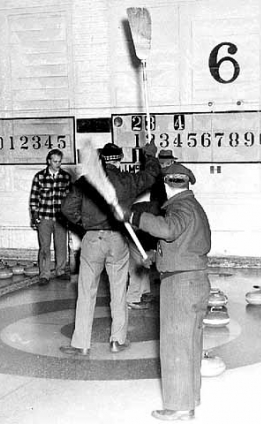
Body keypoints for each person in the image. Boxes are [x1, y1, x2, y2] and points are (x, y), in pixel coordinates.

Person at [59, 142, 160, 356]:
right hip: (117, 240)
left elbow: (66, 208)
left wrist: (85, 223)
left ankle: (81, 344)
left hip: (92, 240)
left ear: (102, 158)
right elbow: (151, 174)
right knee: (118, 291)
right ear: (121, 157)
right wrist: (149, 155)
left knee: (86, 292)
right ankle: (117, 340)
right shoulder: (128, 181)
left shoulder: (86, 182)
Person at [129, 162, 211, 421]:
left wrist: (136, 217)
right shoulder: (194, 207)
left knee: (175, 346)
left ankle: (177, 407)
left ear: (166, 185)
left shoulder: (181, 206)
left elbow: (168, 229)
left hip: (180, 286)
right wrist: (158, 254)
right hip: (194, 280)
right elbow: (186, 241)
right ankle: (189, 401)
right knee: (189, 346)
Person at [126, 149, 178, 310]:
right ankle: (133, 298)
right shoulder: (162, 182)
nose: (170, 164)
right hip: (138, 226)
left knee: (145, 257)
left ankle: (145, 291)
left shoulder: (167, 182)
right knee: (138, 259)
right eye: (168, 162)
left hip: (147, 223)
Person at [29, 149, 72, 286]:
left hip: (61, 218)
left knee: (61, 246)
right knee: (44, 247)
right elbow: (34, 198)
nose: (57, 164)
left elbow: (70, 198)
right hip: (44, 218)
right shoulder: (39, 177)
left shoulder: (66, 177)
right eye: (55, 161)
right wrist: (34, 215)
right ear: (49, 161)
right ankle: (44, 274)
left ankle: (60, 271)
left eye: (59, 161)